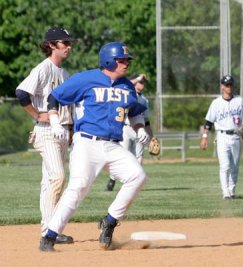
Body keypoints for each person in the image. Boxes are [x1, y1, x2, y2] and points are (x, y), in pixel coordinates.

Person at [38, 41, 150, 252]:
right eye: (121, 60)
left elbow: (135, 111)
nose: (126, 63)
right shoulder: (86, 78)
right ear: (108, 60)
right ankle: (49, 236)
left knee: (138, 176)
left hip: (113, 145)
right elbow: (54, 97)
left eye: (127, 59)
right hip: (87, 143)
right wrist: (53, 120)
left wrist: (140, 128)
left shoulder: (127, 86)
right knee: (78, 187)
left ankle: (109, 221)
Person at [15, 27, 75, 244]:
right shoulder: (43, 68)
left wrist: (71, 130)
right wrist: (37, 115)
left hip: (62, 132)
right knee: (58, 177)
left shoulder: (65, 74)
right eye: (64, 43)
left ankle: (47, 230)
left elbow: (68, 106)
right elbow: (21, 93)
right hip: (47, 132)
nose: (68, 46)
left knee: (49, 182)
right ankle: (51, 231)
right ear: (51, 45)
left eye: (70, 43)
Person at [200, 75, 243, 200]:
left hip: (235, 136)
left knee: (234, 167)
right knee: (225, 166)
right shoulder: (216, 103)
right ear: (222, 86)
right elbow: (208, 122)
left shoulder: (239, 101)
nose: (229, 87)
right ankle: (225, 193)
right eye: (226, 85)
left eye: (231, 85)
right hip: (222, 136)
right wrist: (204, 137)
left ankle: (232, 191)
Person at [105, 73, 153, 191]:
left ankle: (135, 181)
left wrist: (151, 136)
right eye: (140, 82)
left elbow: (146, 120)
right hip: (126, 128)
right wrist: (137, 79)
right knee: (122, 155)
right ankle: (112, 180)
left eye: (143, 83)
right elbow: (124, 84)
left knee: (139, 156)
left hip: (139, 129)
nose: (142, 84)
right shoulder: (127, 93)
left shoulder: (144, 100)